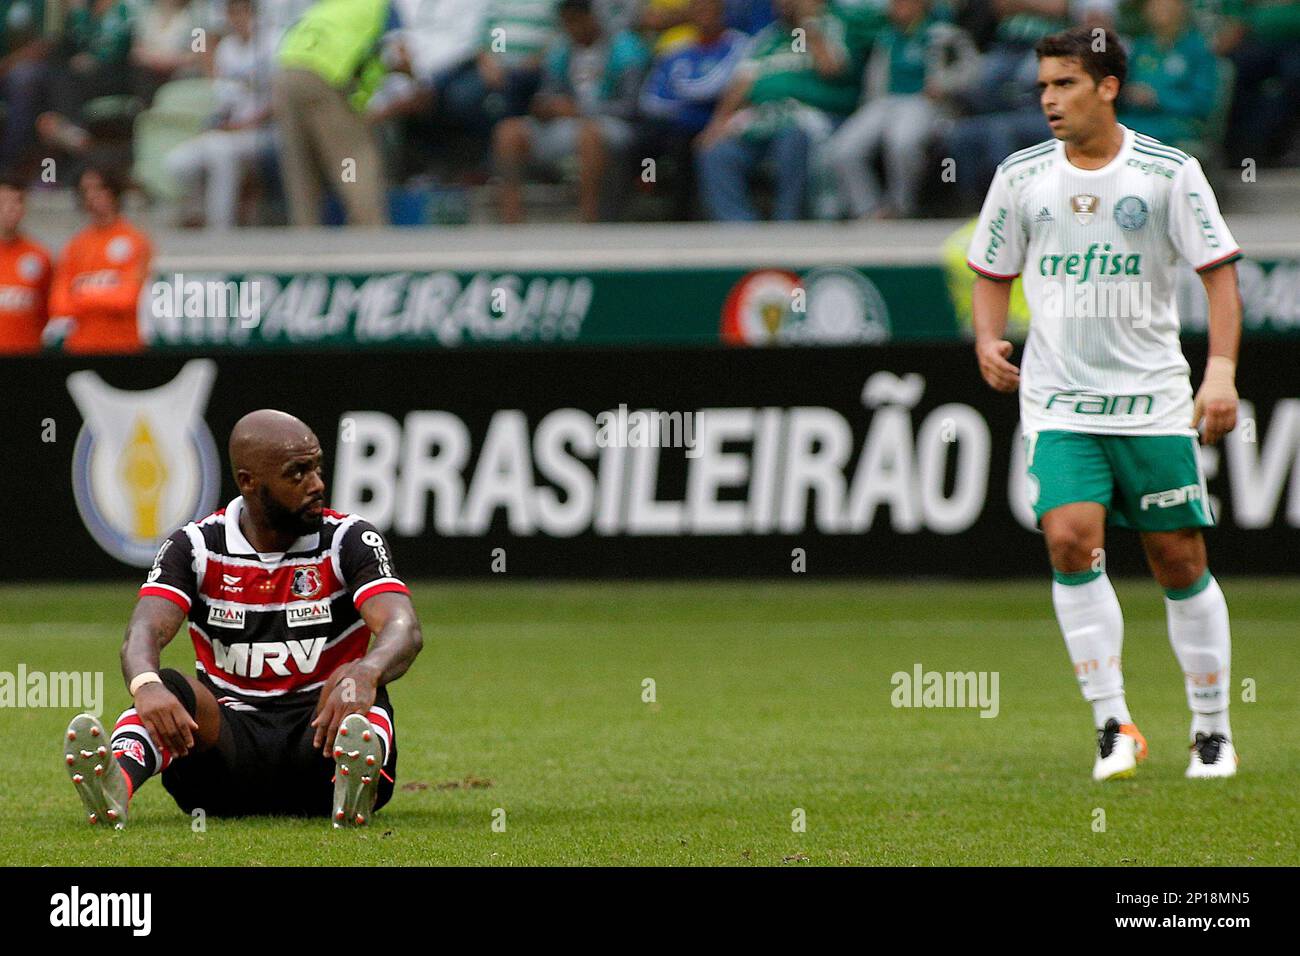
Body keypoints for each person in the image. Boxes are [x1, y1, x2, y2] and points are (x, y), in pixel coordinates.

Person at [968, 26, 1243, 781]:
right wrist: (989, 339)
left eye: (1065, 84)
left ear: (1108, 86)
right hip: (1059, 402)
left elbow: (1219, 274)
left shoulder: (1167, 173)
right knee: (1069, 540)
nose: (1050, 100)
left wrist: (1218, 373)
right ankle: (1112, 724)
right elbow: (993, 270)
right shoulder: (1022, 177)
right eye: (1043, 87)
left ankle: (1211, 730)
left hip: (1153, 401)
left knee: (1178, 559)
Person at [64, 409, 425, 828]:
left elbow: (404, 627)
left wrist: (368, 669)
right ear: (248, 481)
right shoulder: (195, 546)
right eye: (298, 473)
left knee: (357, 682)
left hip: (320, 749)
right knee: (170, 687)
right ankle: (116, 783)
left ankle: (354, 789)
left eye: (317, 469)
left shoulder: (349, 539)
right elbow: (144, 629)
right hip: (224, 765)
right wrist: (145, 686)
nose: (317, 485)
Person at [695, 0, 857, 222]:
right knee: (717, 151)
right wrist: (716, 125)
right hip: (764, 117)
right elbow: (741, 83)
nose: (784, 3)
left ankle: (787, 222)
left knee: (795, 139)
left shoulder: (832, 25)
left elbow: (831, 68)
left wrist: (808, 25)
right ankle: (739, 228)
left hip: (812, 116)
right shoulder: (768, 37)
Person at [492, 0, 649, 223]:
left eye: (576, 22)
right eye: (566, 23)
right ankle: (511, 220)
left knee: (590, 134)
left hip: (613, 124)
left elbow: (632, 107)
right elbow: (548, 92)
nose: (571, 29)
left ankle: (588, 218)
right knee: (508, 131)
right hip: (566, 125)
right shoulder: (561, 50)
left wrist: (580, 110)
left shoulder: (627, 49)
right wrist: (544, 106)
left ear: (592, 18)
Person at [825, 0, 978, 219]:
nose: (897, 7)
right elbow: (874, 81)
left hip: (923, 102)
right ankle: (868, 210)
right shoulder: (886, 37)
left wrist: (945, 84)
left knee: (902, 143)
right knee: (843, 148)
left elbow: (973, 70)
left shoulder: (944, 34)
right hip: (885, 102)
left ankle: (900, 206)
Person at [273, 0, 400, 226]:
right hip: (323, 73)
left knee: (302, 167)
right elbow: (398, 53)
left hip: (285, 72)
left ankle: (305, 236)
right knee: (353, 155)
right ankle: (369, 227)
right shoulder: (381, 7)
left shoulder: (330, 5)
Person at [164, 0, 277, 229]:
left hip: (265, 131)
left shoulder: (273, 43)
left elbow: (280, 100)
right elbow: (225, 98)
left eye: (241, 12)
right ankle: (198, 214)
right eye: (231, 13)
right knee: (176, 162)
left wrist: (245, 124)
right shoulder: (227, 48)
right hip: (230, 131)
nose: (236, 19)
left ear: (253, 13)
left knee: (220, 152)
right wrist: (218, 121)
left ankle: (220, 229)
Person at [635, 0, 748, 219]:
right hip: (678, 121)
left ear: (721, 11)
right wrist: (682, 105)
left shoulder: (738, 44)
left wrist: (679, 95)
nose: (703, 15)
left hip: (716, 118)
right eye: (698, 9)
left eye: (709, 8)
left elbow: (714, 86)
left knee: (684, 143)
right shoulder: (679, 51)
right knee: (643, 138)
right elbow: (649, 98)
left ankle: (684, 215)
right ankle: (646, 192)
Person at [47, 166, 152, 354]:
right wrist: (103, 295)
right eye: (85, 190)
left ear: (113, 192)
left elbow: (126, 298)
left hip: (123, 346)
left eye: (98, 188)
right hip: (80, 346)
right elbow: (59, 304)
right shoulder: (75, 245)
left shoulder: (135, 241)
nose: (92, 196)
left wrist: (80, 294)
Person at [1118, 0, 1218, 148]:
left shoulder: (1197, 49)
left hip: (1177, 125)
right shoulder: (1141, 46)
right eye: (1153, 3)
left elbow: (1203, 103)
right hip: (1134, 119)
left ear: (1181, 7)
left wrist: (1157, 98)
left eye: (1166, 3)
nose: (1159, 8)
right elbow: (1124, 88)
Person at [0, 174, 52, 354]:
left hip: (26, 357)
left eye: (17, 202)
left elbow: (48, 310)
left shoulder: (39, 256)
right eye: (4, 202)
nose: (10, 209)